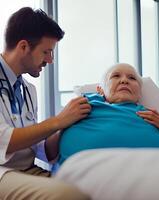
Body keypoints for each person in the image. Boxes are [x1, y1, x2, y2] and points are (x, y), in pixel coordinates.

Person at [0, 7, 91, 199]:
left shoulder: (28, 90)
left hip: (27, 170)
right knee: (68, 195)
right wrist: (58, 121)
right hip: (3, 172)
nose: (50, 60)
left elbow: (39, 148)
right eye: (46, 52)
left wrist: (66, 125)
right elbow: (6, 142)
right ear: (23, 47)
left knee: (93, 187)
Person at [58, 63, 159, 165]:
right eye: (116, 76)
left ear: (139, 93)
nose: (124, 81)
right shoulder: (83, 105)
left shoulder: (152, 116)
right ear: (100, 90)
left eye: (132, 78)